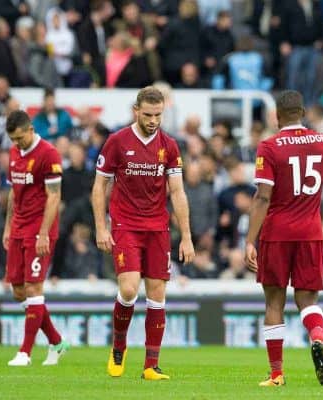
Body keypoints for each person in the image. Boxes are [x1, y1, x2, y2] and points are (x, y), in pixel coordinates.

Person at [92, 86, 194, 379]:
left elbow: (177, 192)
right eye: (148, 114)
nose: (153, 120)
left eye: (158, 115)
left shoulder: (170, 146)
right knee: (128, 289)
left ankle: (151, 365)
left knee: (157, 294)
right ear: (136, 111)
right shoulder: (117, 141)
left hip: (157, 227)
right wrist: (101, 226)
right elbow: (100, 186)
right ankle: (119, 347)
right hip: (125, 224)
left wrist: (186, 236)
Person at [244, 90, 323, 387]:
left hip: (278, 232)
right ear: (303, 112)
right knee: (308, 299)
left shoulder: (269, 147)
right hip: (311, 232)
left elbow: (263, 197)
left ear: (276, 116)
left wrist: (249, 240)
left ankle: (277, 373)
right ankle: (318, 339)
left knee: (274, 302)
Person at [3, 110, 69, 367]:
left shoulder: (48, 153)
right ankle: (56, 341)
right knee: (19, 292)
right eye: (13, 139)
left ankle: (25, 352)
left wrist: (44, 233)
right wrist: (8, 227)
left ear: (31, 129)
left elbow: (54, 196)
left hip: (40, 229)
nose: (17, 143)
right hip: (18, 227)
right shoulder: (13, 153)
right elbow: (13, 191)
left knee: (33, 287)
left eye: (20, 137)